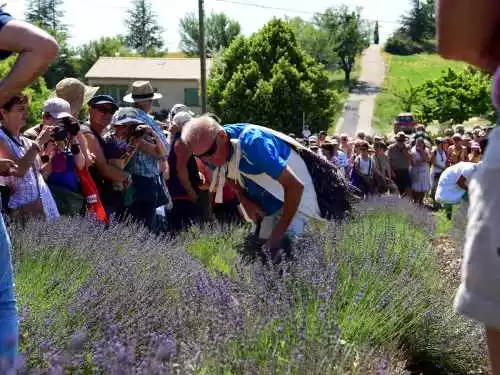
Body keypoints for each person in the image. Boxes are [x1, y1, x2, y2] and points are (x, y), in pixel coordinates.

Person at [181, 117, 355, 257]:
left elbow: (295, 186)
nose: (208, 161)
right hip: (267, 202)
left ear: (222, 137)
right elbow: (225, 172)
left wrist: (280, 231)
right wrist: (244, 199)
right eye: (201, 157)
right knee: (260, 252)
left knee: (293, 250)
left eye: (210, 154)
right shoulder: (211, 148)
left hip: (297, 197)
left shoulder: (255, 145)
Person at [0, 93, 59, 222]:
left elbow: (41, 175)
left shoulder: (26, 141)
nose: (26, 114)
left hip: (44, 212)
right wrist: (38, 143)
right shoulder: (1, 138)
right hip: (21, 215)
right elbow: (18, 170)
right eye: (21, 110)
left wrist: (50, 155)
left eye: (26, 109)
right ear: (3, 112)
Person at [123, 81, 172, 227]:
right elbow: (165, 150)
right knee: (147, 226)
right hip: (146, 179)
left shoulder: (124, 117)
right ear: (148, 102)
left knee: (132, 225)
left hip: (128, 177)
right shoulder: (146, 121)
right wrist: (154, 149)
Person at [167, 110, 203, 232]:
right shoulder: (182, 142)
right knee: (184, 230)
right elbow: (181, 170)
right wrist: (190, 191)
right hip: (183, 194)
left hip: (177, 192)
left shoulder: (175, 140)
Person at [388, 132, 413, 196]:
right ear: (396, 140)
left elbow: (411, 157)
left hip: (405, 171)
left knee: (408, 188)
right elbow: (388, 161)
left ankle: (406, 203)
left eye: (402, 140)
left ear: (404, 140)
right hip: (395, 171)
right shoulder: (391, 148)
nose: (400, 142)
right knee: (395, 190)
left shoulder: (407, 147)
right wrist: (391, 171)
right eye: (399, 140)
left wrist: (404, 151)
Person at [410, 138, 431, 205]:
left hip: (424, 172)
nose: (419, 144)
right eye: (418, 143)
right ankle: (415, 201)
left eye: (420, 143)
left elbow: (427, 160)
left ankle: (421, 201)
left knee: (423, 188)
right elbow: (413, 163)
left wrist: (422, 151)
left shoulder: (426, 150)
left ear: (423, 144)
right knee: (416, 188)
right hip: (416, 172)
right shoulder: (413, 151)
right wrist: (422, 161)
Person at [430, 138, 448, 208]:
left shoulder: (444, 151)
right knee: (435, 188)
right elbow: (434, 163)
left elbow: (446, 161)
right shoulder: (434, 151)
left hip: (443, 172)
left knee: (442, 187)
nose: (442, 144)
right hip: (435, 172)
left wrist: (446, 167)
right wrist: (443, 168)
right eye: (441, 143)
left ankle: (440, 203)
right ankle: (435, 204)